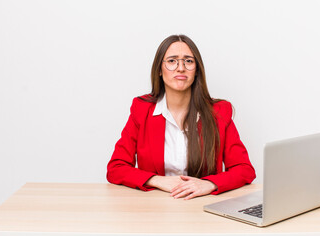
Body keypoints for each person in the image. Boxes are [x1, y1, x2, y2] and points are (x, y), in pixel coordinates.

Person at [107, 34, 255, 200]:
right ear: (159, 71)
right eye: (172, 61)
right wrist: (157, 181)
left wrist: (209, 183)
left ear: (197, 70)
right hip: (155, 206)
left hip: (202, 207)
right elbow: (116, 168)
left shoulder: (219, 111)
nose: (180, 67)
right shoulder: (142, 109)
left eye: (188, 61)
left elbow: (244, 169)